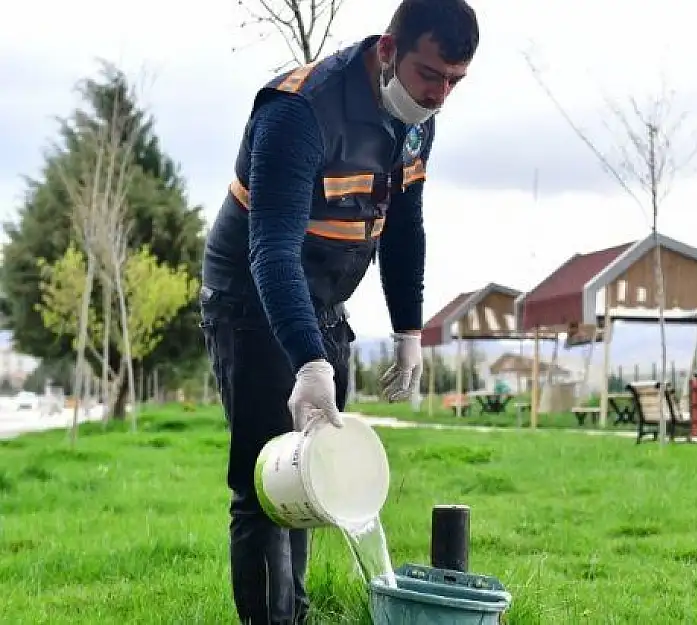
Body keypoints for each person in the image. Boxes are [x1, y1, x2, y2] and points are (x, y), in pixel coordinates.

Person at [198, 0, 479, 622]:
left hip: (325, 297)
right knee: (263, 483)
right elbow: (271, 249)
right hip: (250, 293)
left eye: (455, 81)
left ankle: (293, 613)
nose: (440, 95)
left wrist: (410, 330)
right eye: (430, 74)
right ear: (388, 50)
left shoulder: (416, 118)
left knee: (311, 475)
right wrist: (308, 361)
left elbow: (405, 225)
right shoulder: (297, 111)